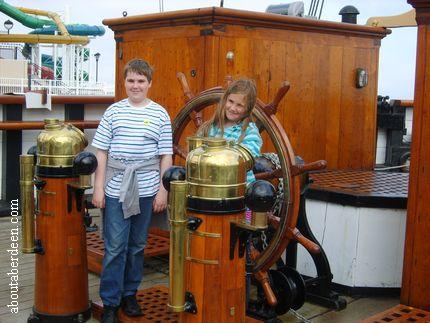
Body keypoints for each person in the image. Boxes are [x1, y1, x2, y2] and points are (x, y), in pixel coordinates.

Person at [91, 59, 172, 323]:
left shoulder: (160, 114)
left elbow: (165, 156)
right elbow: (100, 152)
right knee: (115, 246)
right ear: (124, 82)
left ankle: (130, 294)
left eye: (141, 81)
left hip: (147, 190)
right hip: (115, 189)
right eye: (131, 80)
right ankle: (111, 302)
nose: (135, 85)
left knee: (137, 246)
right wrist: (98, 188)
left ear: (149, 83)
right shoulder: (113, 112)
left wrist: (163, 191)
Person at [197, 78, 262, 183]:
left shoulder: (250, 133)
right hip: (210, 185)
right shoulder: (210, 128)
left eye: (239, 105)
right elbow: (196, 153)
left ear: (248, 109)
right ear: (225, 99)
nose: (232, 108)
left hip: (238, 188)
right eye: (230, 101)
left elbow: (246, 158)